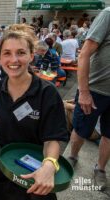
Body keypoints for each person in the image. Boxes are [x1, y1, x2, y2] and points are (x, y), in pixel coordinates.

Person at [0, 25, 68, 200]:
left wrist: (49, 164)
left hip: (34, 179)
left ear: (32, 55)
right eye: (7, 53)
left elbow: (53, 138)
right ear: (0, 57)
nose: (14, 59)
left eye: (21, 52)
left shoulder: (47, 93)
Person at [67, 7, 110, 190]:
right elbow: (84, 53)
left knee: (109, 134)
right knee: (81, 128)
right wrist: (84, 91)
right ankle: (72, 157)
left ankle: (100, 169)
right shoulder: (108, 14)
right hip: (94, 89)